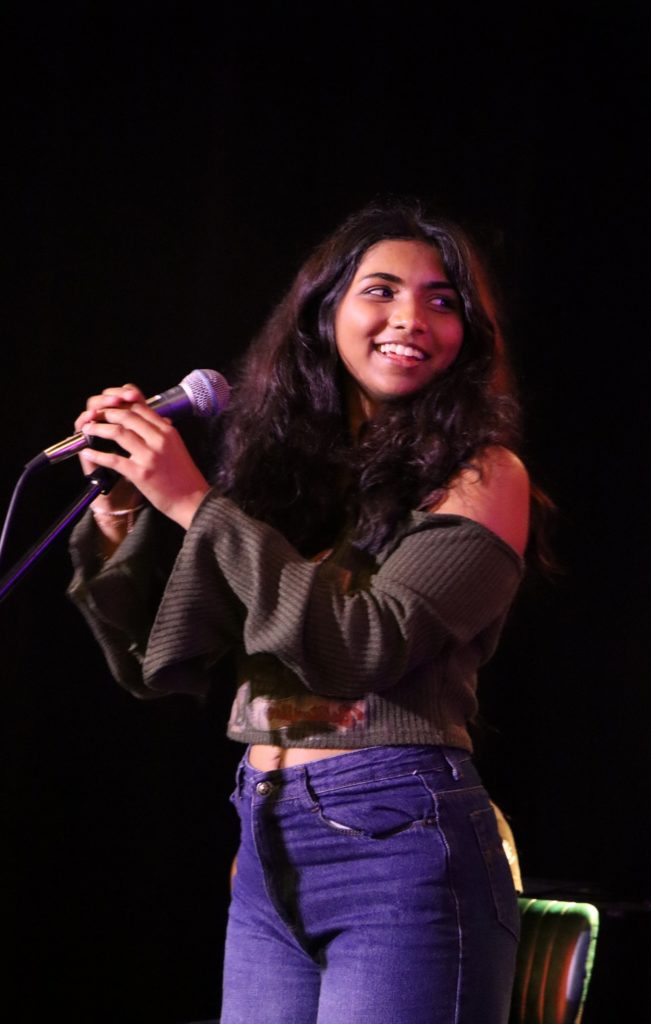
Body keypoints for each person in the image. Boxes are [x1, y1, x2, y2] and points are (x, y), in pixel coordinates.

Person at [67, 197, 535, 1024]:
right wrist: (126, 515)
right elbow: (154, 656)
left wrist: (195, 506)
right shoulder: (283, 488)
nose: (410, 318)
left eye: (441, 301)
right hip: (265, 838)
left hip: (401, 840)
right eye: (380, 291)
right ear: (324, 314)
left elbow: (364, 647)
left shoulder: (482, 476)